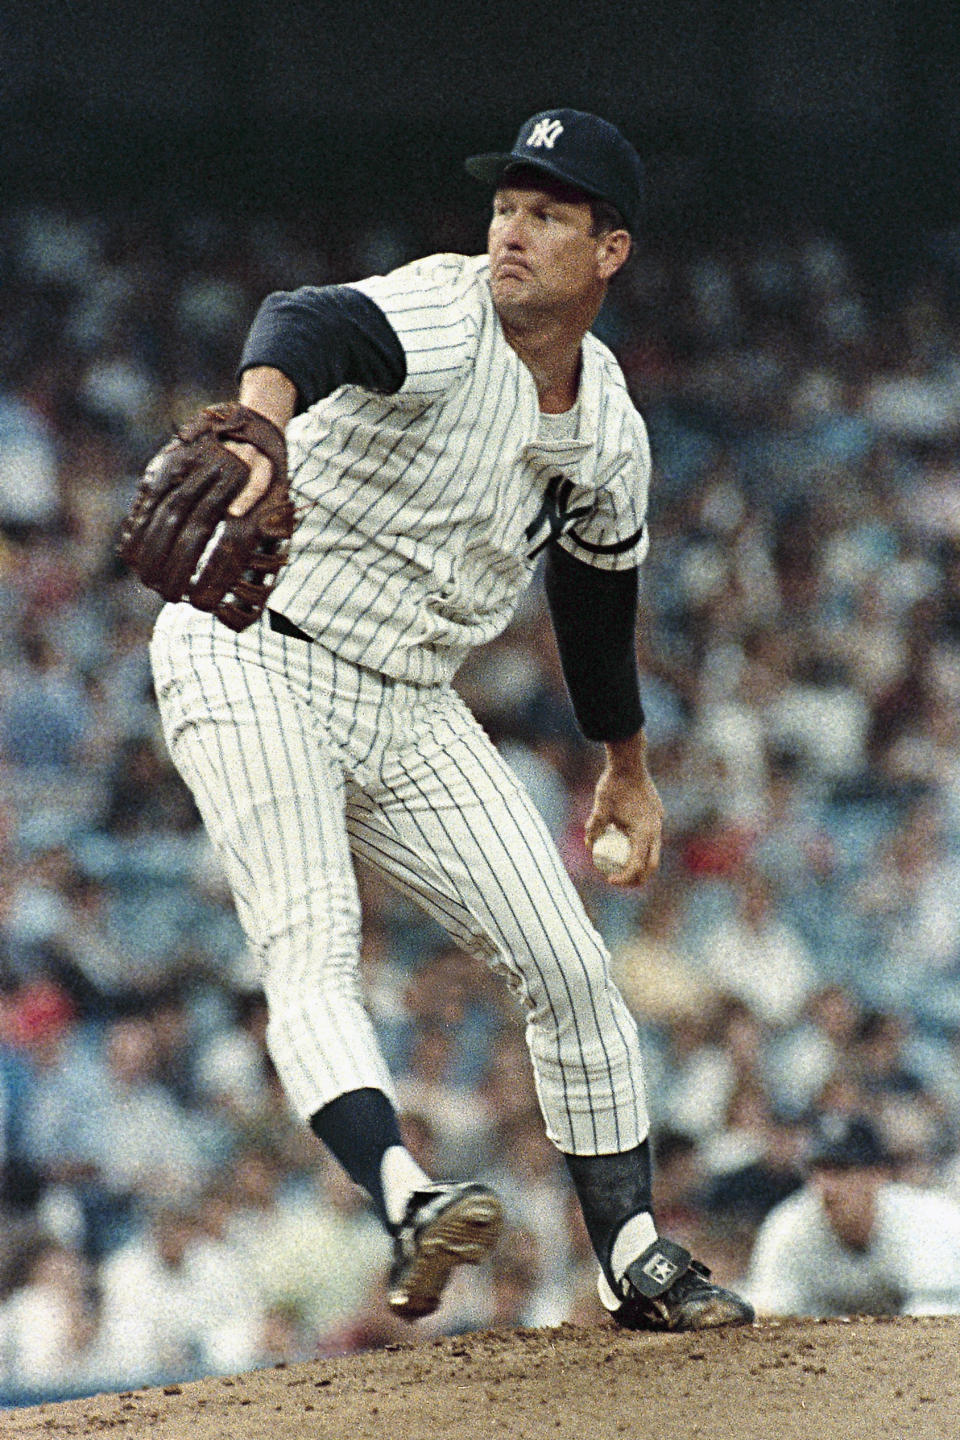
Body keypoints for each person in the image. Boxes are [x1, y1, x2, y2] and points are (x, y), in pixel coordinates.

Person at [148, 107, 753, 1333]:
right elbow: (302, 322)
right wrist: (264, 417)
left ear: (611, 251)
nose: (511, 233)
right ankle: (407, 1200)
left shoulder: (609, 429)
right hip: (253, 656)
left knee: (574, 967)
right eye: (505, 206)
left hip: (412, 702)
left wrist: (626, 765)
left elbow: (595, 599)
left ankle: (632, 1253)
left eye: (548, 214)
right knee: (312, 947)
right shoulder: (445, 308)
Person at [744, 1113, 960, 1316]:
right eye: (818, 1170)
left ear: (878, 1174)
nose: (827, 1186)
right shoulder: (789, 1225)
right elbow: (767, 1312)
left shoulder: (925, 1220)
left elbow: (939, 1316)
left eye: (842, 1171)